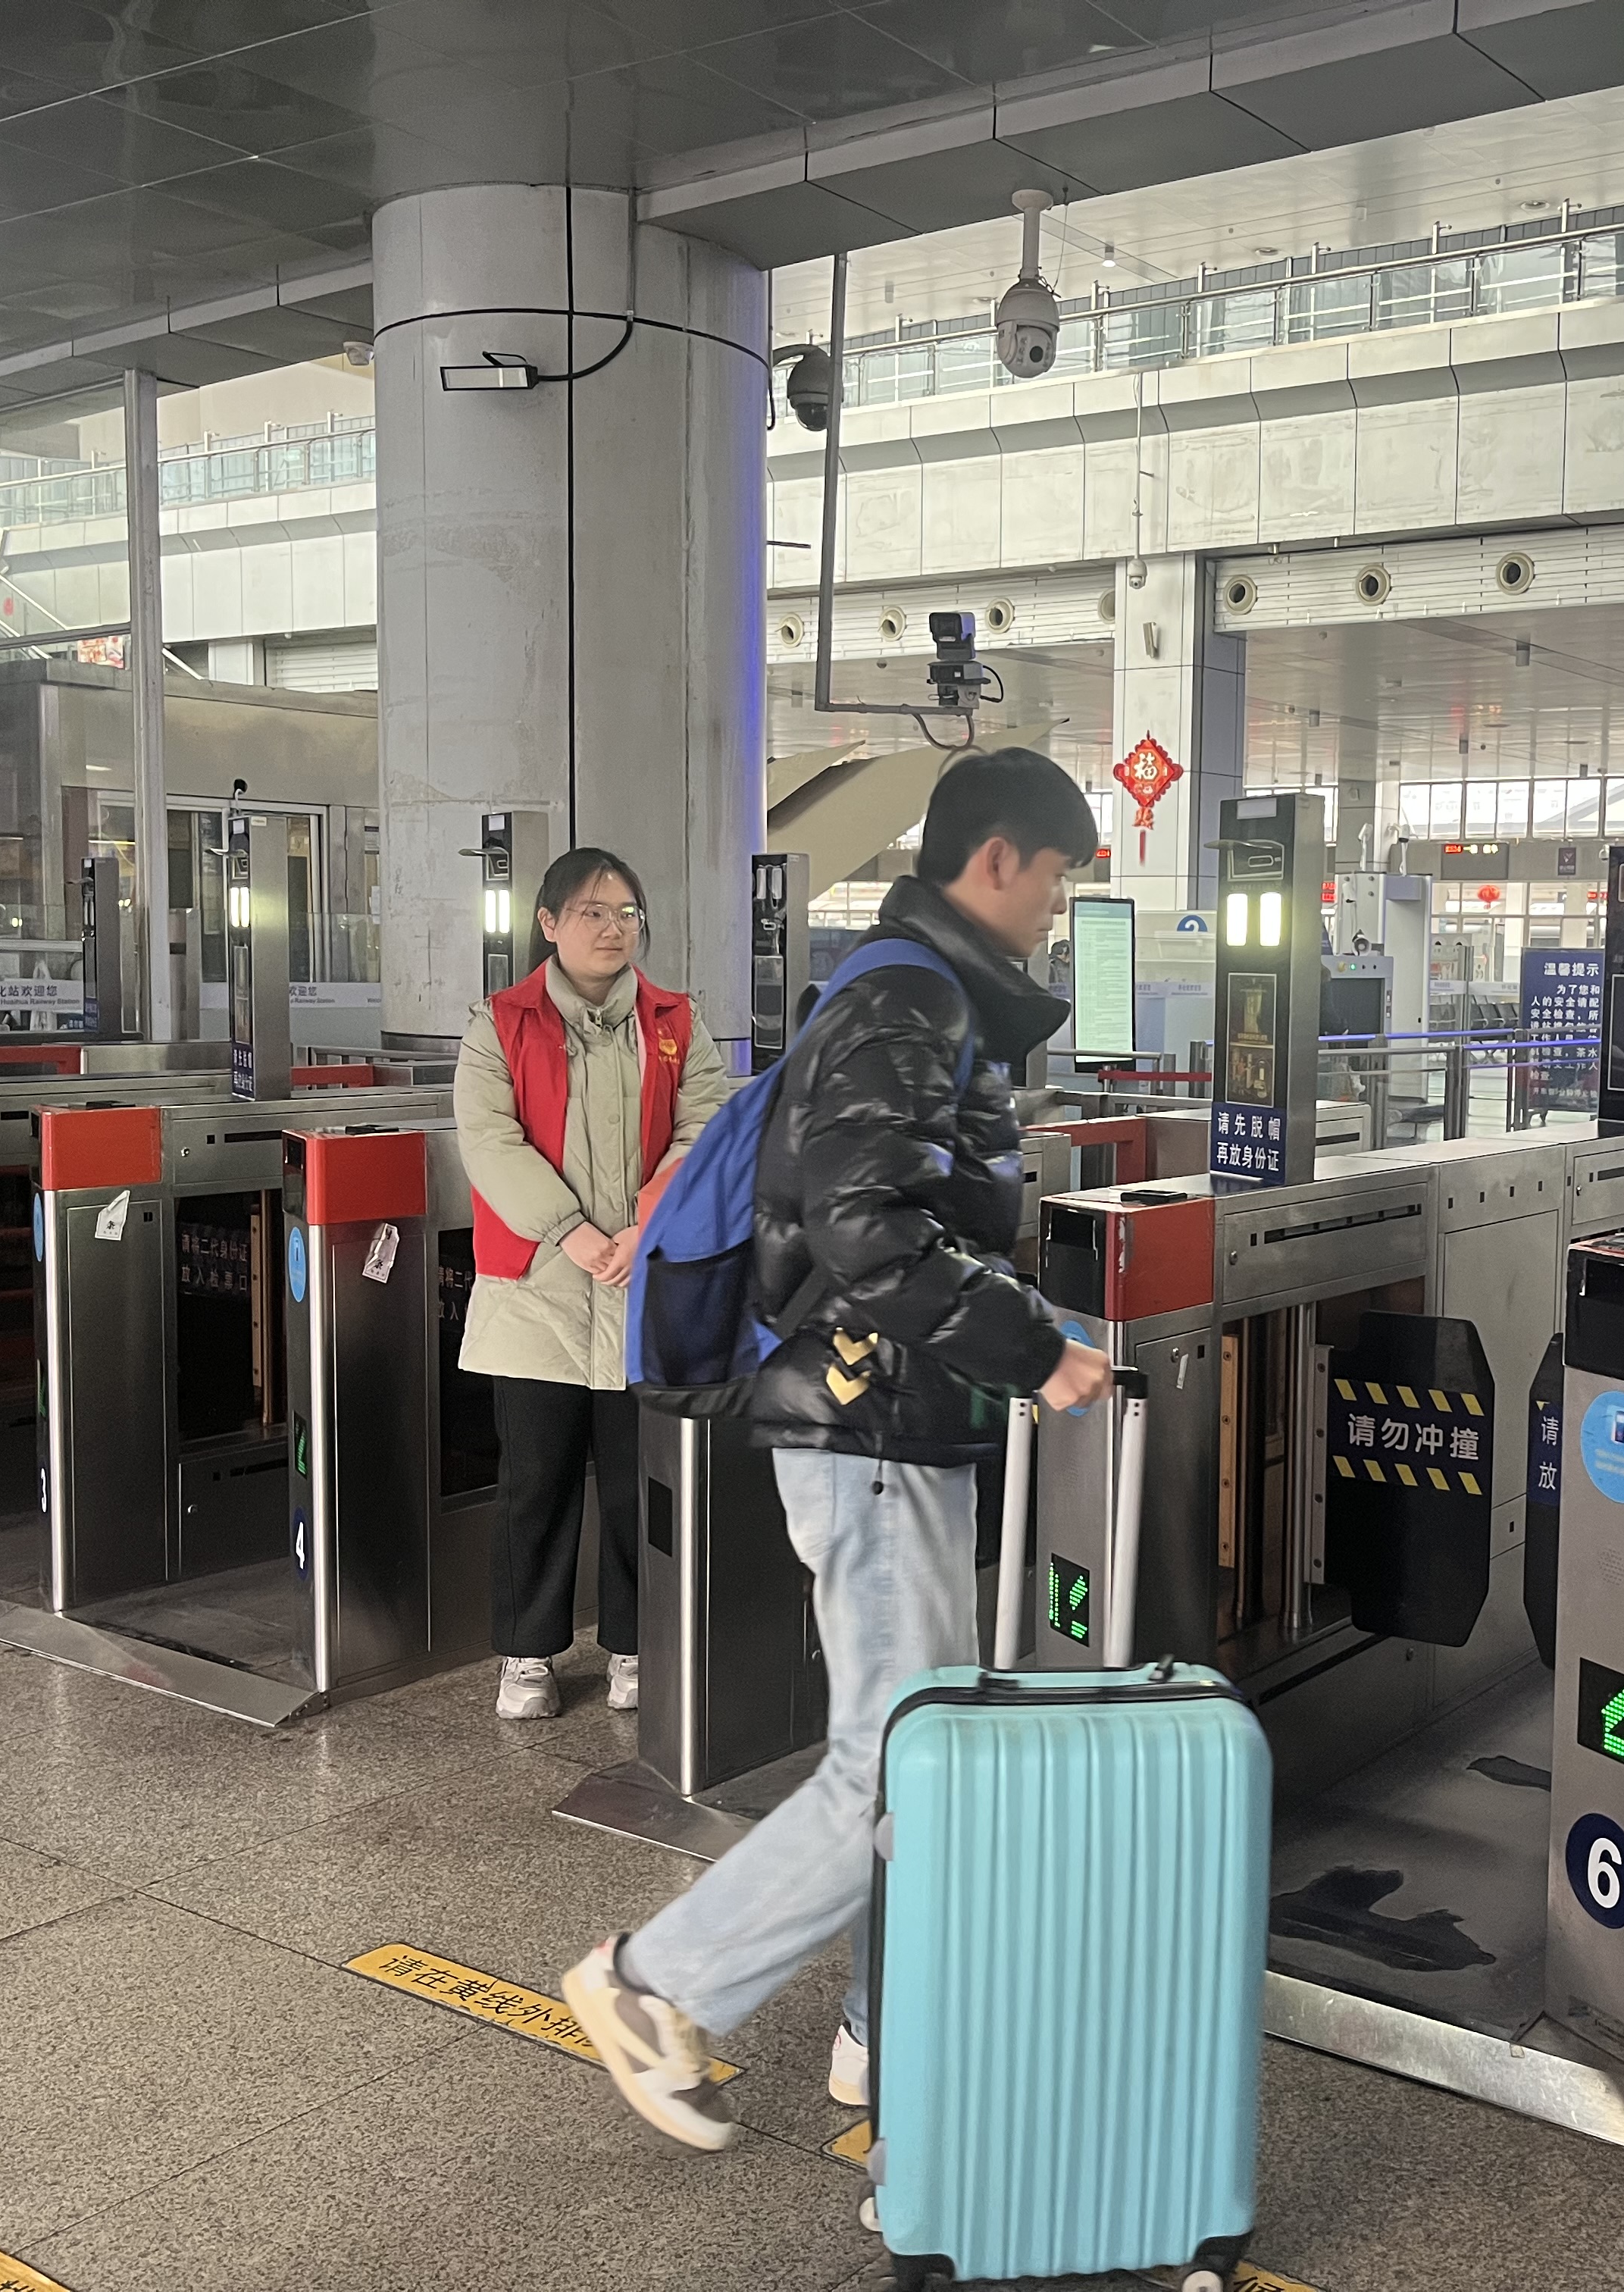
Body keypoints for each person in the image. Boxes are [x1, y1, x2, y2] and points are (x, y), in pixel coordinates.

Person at [565, 747, 1112, 2150]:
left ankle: (882, 2032)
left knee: (919, 1749)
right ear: (997, 859)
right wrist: (1034, 1346)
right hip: (871, 1422)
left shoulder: (910, 990)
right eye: (1054, 878)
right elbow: (869, 1226)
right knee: (896, 1756)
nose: (1053, 908)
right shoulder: (911, 996)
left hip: (888, 1421)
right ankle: (654, 1986)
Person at [455, 849, 731, 1721]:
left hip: (642, 1282)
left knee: (634, 1482)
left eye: (627, 913)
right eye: (592, 912)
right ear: (548, 923)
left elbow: (707, 1126)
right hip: (537, 1286)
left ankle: (636, 1645)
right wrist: (571, 1231)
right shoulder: (500, 1024)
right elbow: (490, 1141)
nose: (614, 929)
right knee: (534, 1481)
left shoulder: (676, 1020)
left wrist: (648, 1223)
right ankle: (528, 1653)